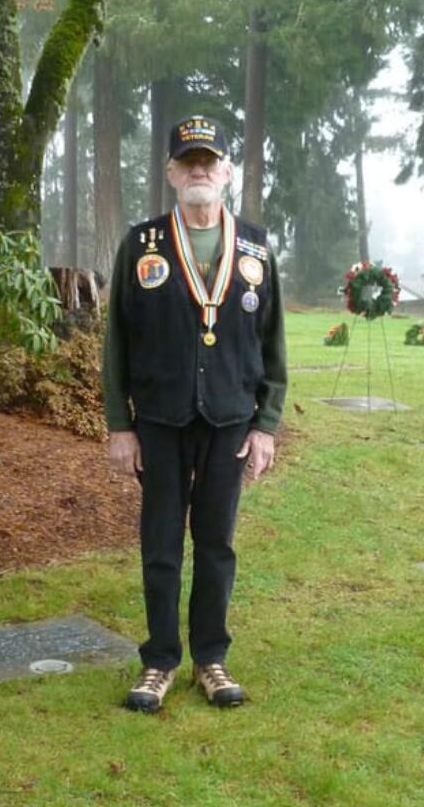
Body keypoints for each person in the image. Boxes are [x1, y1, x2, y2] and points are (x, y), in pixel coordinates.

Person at [101, 114, 287, 711]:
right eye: (188, 161)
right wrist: (119, 424)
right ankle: (158, 660)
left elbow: (273, 344)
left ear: (226, 172)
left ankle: (210, 658)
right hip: (159, 420)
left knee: (216, 544)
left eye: (209, 160)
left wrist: (265, 424)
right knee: (160, 543)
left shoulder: (256, 248)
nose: (199, 169)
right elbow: (117, 343)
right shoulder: (142, 245)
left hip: (230, 421)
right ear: (171, 173)